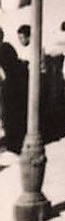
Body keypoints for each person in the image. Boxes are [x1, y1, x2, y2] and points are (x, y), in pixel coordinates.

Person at [0, 26, 27, 154]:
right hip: (17, 85)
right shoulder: (8, 47)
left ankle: (13, 146)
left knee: (9, 118)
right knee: (17, 116)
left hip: (7, 88)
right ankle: (17, 144)